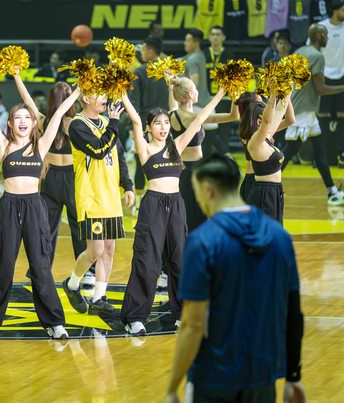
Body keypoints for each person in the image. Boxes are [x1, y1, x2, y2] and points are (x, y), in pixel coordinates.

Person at [164, 154, 304, 403]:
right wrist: (293, 376)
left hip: (213, 377)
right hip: (262, 375)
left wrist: (172, 387)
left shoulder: (203, 241)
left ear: (208, 190)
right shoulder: (279, 236)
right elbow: (293, 313)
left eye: (195, 192)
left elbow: (192, 324)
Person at [0, 80, 80, 340]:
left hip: (34, 207)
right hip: (9, 206)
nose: (22, 121)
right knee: (4, 266)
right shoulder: (3, 145)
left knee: (41, 267)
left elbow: (58, 115)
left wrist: (78, 91)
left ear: (33, 124)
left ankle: (55, 323)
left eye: (27, 118)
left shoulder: (41, 146)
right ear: (10, 124)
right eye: (17, 118)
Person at [120, 87, 225, 336]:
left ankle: (182, 314)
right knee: (148, 262)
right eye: (157, 123)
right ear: (149, 128)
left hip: (176, 205)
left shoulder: (176, 146)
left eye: (166, 122)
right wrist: (122, 94)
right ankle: (135, 318)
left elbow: (199, 120)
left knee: (179, 261)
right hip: (153, 205)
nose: (163, 127)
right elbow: (135, 120)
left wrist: (221, 93)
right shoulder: (145, 149)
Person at [12, 68, 90, 285]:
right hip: (70, 178)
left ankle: (40, 268)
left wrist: (17, 76)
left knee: (47, 226)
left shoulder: (52, 121)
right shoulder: (76, 122)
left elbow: (27, 99)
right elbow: (28, 101)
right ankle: (85, 272)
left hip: (53, 177)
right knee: (76, 225)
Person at [62, 92, 135, 316]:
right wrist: (114, 123)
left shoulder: (106, 122)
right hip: (91, 196)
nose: (105, 98)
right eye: (99, 94)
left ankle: (99, 297)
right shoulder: (77, 125)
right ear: (85, 98)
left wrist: (128, 185)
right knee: (96, 250)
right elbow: (99, 150)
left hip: (110, 195)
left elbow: (119, 155)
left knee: (109, 249)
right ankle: (72, 284)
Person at [283, 24, 344, 205]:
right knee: (289, 151)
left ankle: (332, 192)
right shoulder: (317, 56)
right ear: (318, 36)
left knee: (319, 152)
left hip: (300, 107)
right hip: (303, 110)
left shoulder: (300, 51)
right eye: (325, 34)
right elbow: (320, 89)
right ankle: (262, 185)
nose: (327, 37)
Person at [169, 76, 238, 232]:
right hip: (192, 171)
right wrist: (223, 93)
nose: (197, 92)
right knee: (197, 216)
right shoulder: (192, 117)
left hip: (181, 170)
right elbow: (232, 117)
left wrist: (235, 94)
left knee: (189, 214)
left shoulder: (172, 113)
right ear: (189, 94)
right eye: (195, 89)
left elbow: (233, 116)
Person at [241, 89, 294, 222]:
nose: (272, 120)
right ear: (259, 121)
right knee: (264, 232)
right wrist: (273, 94)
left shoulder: (266, 136)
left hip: (275, 191)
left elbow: (281, 109)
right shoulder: (254, 142)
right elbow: (267, 120)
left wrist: (287, 87)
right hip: (263, 193)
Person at [130, 37, 170, 192]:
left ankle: (139, 197)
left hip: (145, 123)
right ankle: (162, 193)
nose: (141, 52)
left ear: (151, 51)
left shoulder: (139, 72)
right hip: (165, 122)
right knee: (163, 159)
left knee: (140, 160)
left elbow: (134, 104)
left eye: (144, 49)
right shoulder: (168, 71)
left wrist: (133, 127)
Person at [315, 0, 344, 165]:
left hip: (342, 76)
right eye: (343, 10)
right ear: (335, 11)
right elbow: (312, 49)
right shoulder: (321, 27)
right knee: (323, 116)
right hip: (323, 76)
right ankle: (323, 155)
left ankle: (341, 153)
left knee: (342, 116)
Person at [203, 25, 234, 157]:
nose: (215, 37)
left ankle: (225, 158)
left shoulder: (229, 55)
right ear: (209, 37)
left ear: (223, 37)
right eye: (213, 34)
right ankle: (207, 158)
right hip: (207, 98)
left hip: (224, 98)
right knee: (207, 129)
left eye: (218, 34)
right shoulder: (203, 54)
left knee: (223, 129)